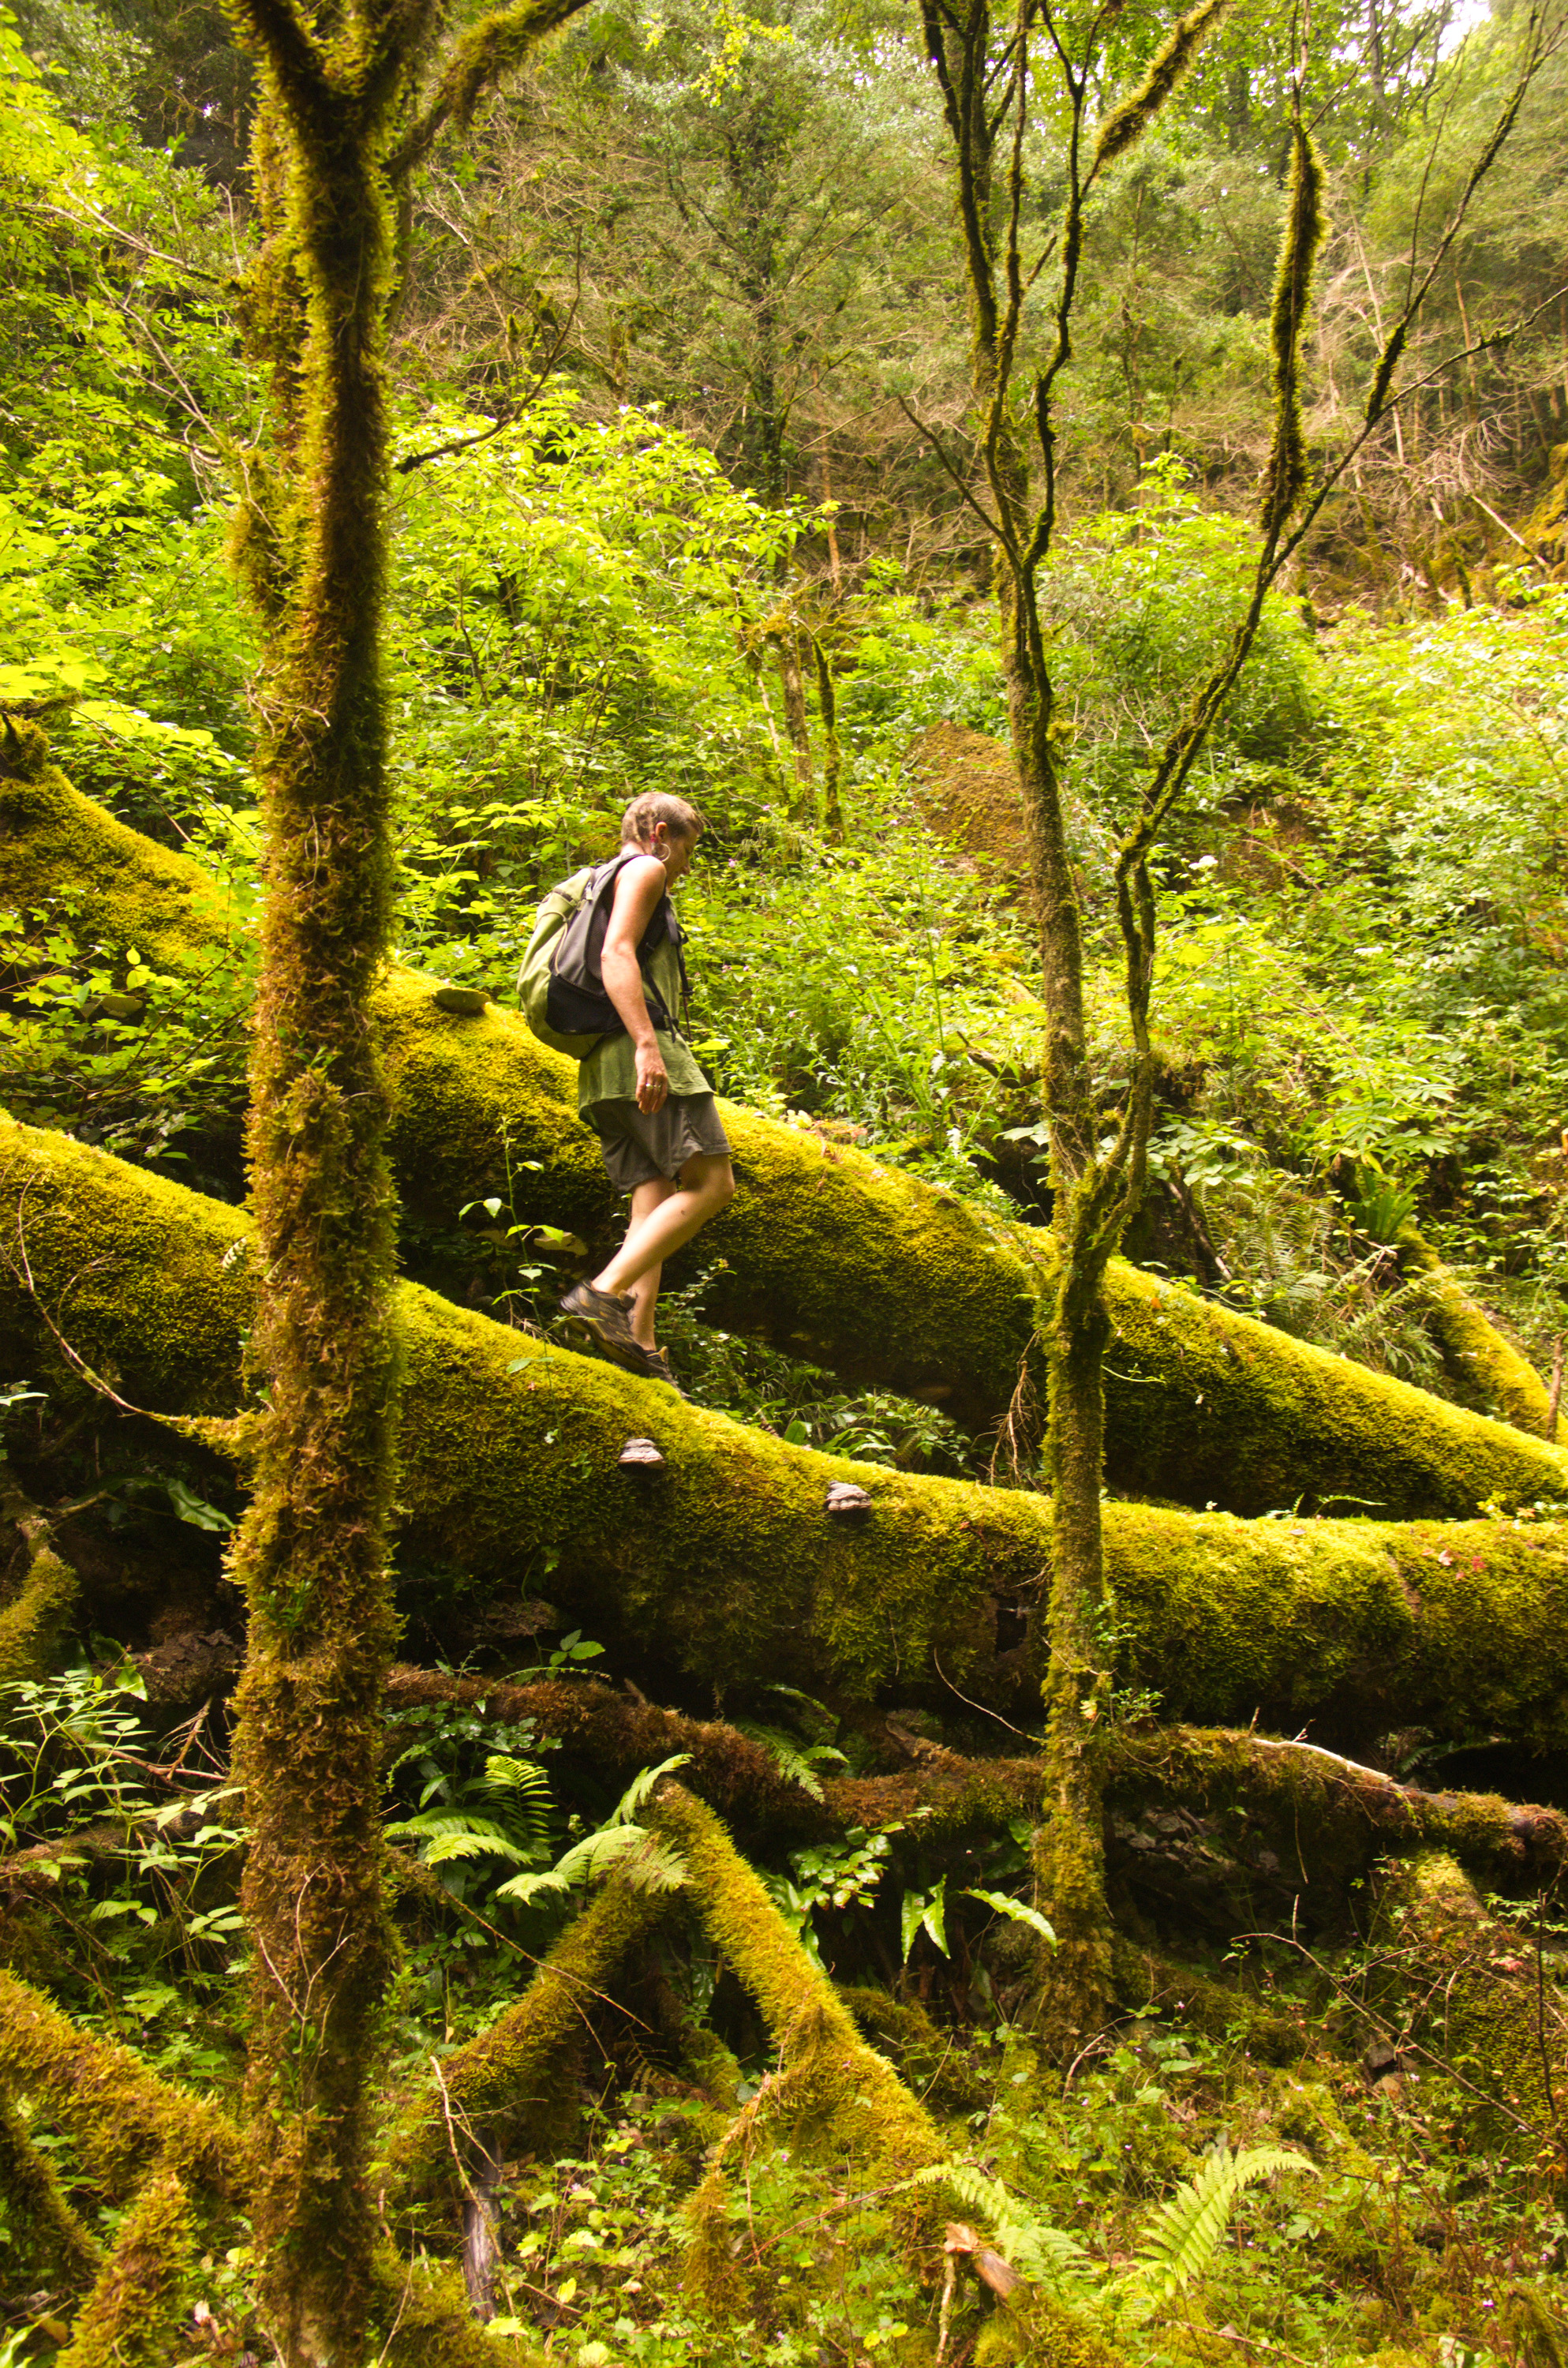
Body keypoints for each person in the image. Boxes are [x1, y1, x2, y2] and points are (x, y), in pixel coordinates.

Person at [558, 792, 735, 1388]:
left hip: (598, 1068)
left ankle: (639, 1342)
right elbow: (615, 954)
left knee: (653, 1194)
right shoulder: (645, 868)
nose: (684, 865)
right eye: (686, 849)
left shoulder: (590, 881)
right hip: (636, 1052)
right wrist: (647, 1046)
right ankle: (601, 1295)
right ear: (661, 833)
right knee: (713, 1185)